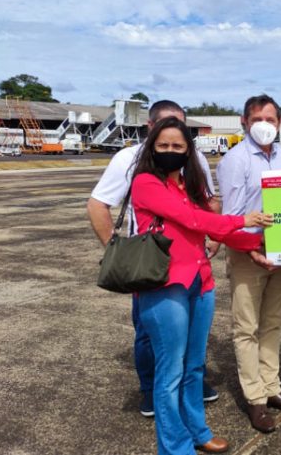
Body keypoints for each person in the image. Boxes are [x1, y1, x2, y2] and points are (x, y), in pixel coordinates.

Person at [130, 116, 271, 455]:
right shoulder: (146, 183)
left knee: (194, 367)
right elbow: (193, 219)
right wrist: (243, 220)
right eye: (163, 145)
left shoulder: (189, 185)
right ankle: (175, 448)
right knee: (170, 373)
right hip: (164, 286)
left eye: (178, 146)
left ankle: (197, 431)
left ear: (188, 151)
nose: (170, 150)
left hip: (200, 282)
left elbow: (211, 228)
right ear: (152, 148)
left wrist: (256, 244)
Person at [87, 100, 220, 417]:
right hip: (150, 260)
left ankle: (190, 383)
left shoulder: (195, 158)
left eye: (180, 130)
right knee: (148, 333)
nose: (173, 139)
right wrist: (116, 250)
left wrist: (214, 234)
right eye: (165, 128)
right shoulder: (129, 160)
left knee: (190, 332)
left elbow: (209, 200)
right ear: (150, 127)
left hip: (190, 263)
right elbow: (98, 204)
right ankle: (150, 388)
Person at [216, 94, 281, 434]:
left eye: (270, 119)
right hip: (247, 253)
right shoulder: (235, 160)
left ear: (280, 123)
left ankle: (272, 388)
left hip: (280, 250)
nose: (264, 125)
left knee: (272, 323)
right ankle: (255, 399)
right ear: (244, 122)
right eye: (257, 119)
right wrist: (252, 249)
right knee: (246, 328)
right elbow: (231, 216)